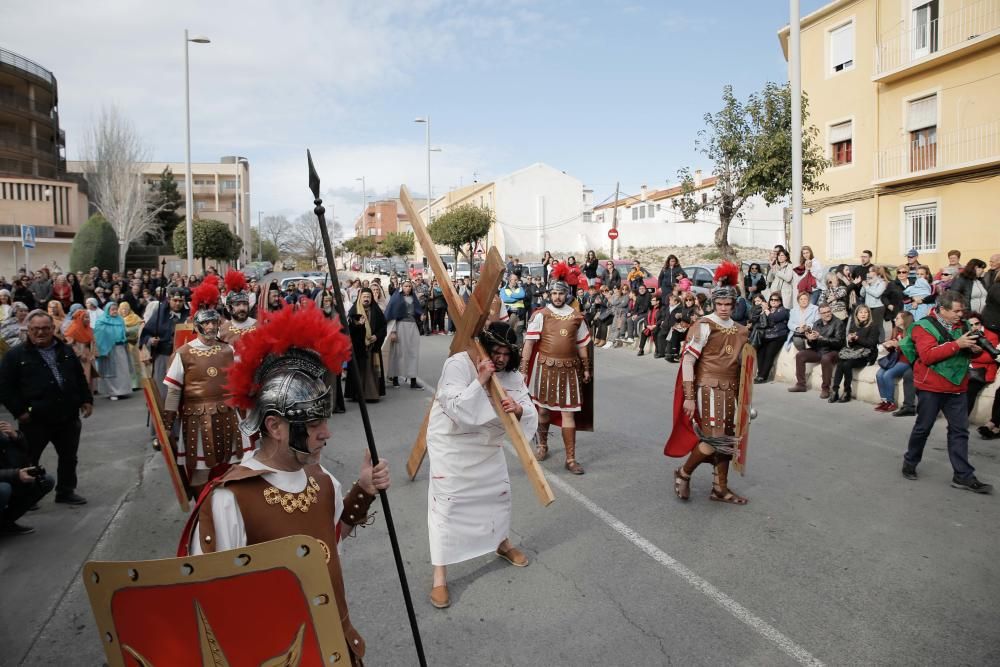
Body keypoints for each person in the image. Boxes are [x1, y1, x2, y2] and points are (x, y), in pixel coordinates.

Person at [180, 300, 390, 666]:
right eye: (312, 425)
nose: (326, 434)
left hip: (333, 645)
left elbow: (329, 537)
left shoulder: (321, 478)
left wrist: (363, 492)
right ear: (276, 426)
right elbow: (211, 600)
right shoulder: (229, 500)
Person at [426, 322, 537, 608]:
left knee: (498, 496)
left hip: (487, 444)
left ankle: (501, 542)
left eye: (505, 354)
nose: (500, 359)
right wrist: (480, 380)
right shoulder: (458, 363)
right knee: (447, 507)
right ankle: (440, 575)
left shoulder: (512, 374)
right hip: (453, 443)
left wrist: (519, 408)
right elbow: (453, 405)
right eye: (495, 352)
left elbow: (528, 406)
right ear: (485, 348)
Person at [900, 290, 992, 493]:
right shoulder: (922, 327)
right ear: (942, 310)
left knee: (960, 431)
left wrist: (973, 349)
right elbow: (928, 356)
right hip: (931, 386)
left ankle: (963, 476)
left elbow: (964, 351)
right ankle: (910, 462)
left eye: (963, 310)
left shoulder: (964, 325)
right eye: (957, 311)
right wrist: (957, 344)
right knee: (923, 428)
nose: (962, 315)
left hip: (957, 385)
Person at [666, 285, 749, 505]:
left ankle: (719, 488)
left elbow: (744, 366)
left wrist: (745, 398)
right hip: (707, 387)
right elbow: (689, 361)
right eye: (720, 304)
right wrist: (690, 397)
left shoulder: (741, 331)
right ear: (714, 304)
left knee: (728, 439)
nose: (723, 308)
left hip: (731, 389)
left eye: (728, 304)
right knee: (714, 439)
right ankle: (683, 473)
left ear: (734, 305)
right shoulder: (704, 326)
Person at [0, 310, 92, 505]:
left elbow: (79, 376)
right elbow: (5, 387)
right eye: (35, 329)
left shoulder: (65, 350)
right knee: (29, 458)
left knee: (69, 457)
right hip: (35, 418)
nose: (40, 333)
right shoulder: (15, 355)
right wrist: (20, 412)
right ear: (28, 330)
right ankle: (28, 496)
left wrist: (86, 399)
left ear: (52, 329)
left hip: (67, 415)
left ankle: (66, 491)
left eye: (44, 329)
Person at [163, 298, 248, 494]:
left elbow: (241, 381)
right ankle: (204, 513)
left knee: (235, 466)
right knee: (201, 470)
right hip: (197, 418)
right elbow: (174, 392)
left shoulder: (228, 349)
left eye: (214, 323)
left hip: (227, 413)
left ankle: (228, 511)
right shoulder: (183, 353)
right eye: (206, 323)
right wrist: (168, 426)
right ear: (197, 326)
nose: (211, 326)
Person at [521, 277, 592, 474]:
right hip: (545, 368)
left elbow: (582, 345)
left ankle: (570, 459)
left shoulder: (576, 316)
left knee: (568, 413)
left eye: (560, 293)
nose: (557, 297)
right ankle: (542, 445)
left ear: (566, 294)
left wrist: (586, 368)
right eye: (553, 294)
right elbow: (529, 344)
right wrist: (523, 370)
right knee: (543, 411)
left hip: (569, 369)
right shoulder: (541, 315)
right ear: (549, 295)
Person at [0, 421, 55, 535]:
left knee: (45, 481)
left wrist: (16, 437)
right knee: (3, 489)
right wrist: (15, 474)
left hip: (10, 474)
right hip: (7, 478)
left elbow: (26, 452)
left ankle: (5, 523)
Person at [788, 304, 844, 397]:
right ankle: (801, 385)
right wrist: (810, 339)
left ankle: (826, 389)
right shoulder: (817, 323)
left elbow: (839, 342)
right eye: (824, 312)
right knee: (800, 355)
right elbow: (812, 344)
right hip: (818, 350)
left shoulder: (838, 323)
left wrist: (821, 338)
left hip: (833, 351)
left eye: (828, 311)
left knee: (825, 359)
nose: (827, 314)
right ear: (820, 314)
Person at [828, 305, 879, 403]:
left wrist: (857, 339)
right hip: (854, 353)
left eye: (865, 312)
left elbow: (871, 344)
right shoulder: (854, 325)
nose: (863, 314)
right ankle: (835, 390)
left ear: (869, 314)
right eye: (861, 312)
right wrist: (851, 340)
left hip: (867, 355)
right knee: (840, 363)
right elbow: (851, 345)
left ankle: (847, 391)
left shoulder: (873, 326)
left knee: (847, 364)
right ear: (856, 315)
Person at [346, 288, 386, 403]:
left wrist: (376, 336)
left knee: (371, 371)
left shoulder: (376, 311)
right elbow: (350, 329)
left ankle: (371, 394)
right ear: (360, 297)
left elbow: (383, 327)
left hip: (372, 347)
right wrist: (358, 324)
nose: (366, 299)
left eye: (368, 297)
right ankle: (357, 394)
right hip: (358, 347)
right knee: (359, 370)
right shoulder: (354, 311)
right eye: (364, 297)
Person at [383, 279, 423, 389]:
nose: (408, 288)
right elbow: (392, 315)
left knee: (413, 353)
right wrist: (393, 331)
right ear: (402, 287)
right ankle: (395, 378)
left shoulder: (413, 298)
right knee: (397, 353)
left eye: (410, 286)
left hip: (412, 327)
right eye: (406, 286)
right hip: (400, 327)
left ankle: (413, 380)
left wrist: (421, 315)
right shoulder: (396, 298)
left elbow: (418, 311)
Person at [874, 312, 916, 415]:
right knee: (879, 374)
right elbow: (894, 350)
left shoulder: (912, 332)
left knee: (888, 375)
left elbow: (912, 350)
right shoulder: (898, 331)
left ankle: (891, 402)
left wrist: (898, 344)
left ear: (905, 320)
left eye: (897, 318)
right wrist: (888, 345)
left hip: (905, 361)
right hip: (895, 359)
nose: (895, 320)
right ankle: (885, 401)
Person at [94, 302, 133, 400]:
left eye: (116, 309)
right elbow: (99, 337)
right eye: (112, 309)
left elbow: (123, 332)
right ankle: (112, 392)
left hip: (121, 348)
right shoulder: (101, 321)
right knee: (111, 371)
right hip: (109, 349)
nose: (115, 311)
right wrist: (103, 349)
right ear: (107, 310)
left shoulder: (120, 320)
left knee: (122, 370)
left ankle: (123, 390)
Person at [754, 293, 788, 383]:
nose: (773, 301)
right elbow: (755, 318)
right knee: (760, 351)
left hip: (778, 335)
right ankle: (760, 373)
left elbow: (774, 318)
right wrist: (762, 311)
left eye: (776, 300)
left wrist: (766, 311)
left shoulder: (783, 310)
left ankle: (763, 376)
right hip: (767, 335)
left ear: (780, 301)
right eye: (771, 300)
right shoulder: (767, 309)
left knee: (769, 353)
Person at [219, 272, 257, 344]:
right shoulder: (222, 331)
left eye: (245, 304)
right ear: (229, 307)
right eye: (237, 304)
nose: (242, 308)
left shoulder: (258, 326)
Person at [116, 302, 144, 391]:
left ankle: (136, 384)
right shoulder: (117, 319)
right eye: (122, 309)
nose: (124, 311)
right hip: (122, 345)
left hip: (133, 344)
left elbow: (139, 328)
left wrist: (127, 332)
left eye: (126, 309)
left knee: (134, 363)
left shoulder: (135, 317)